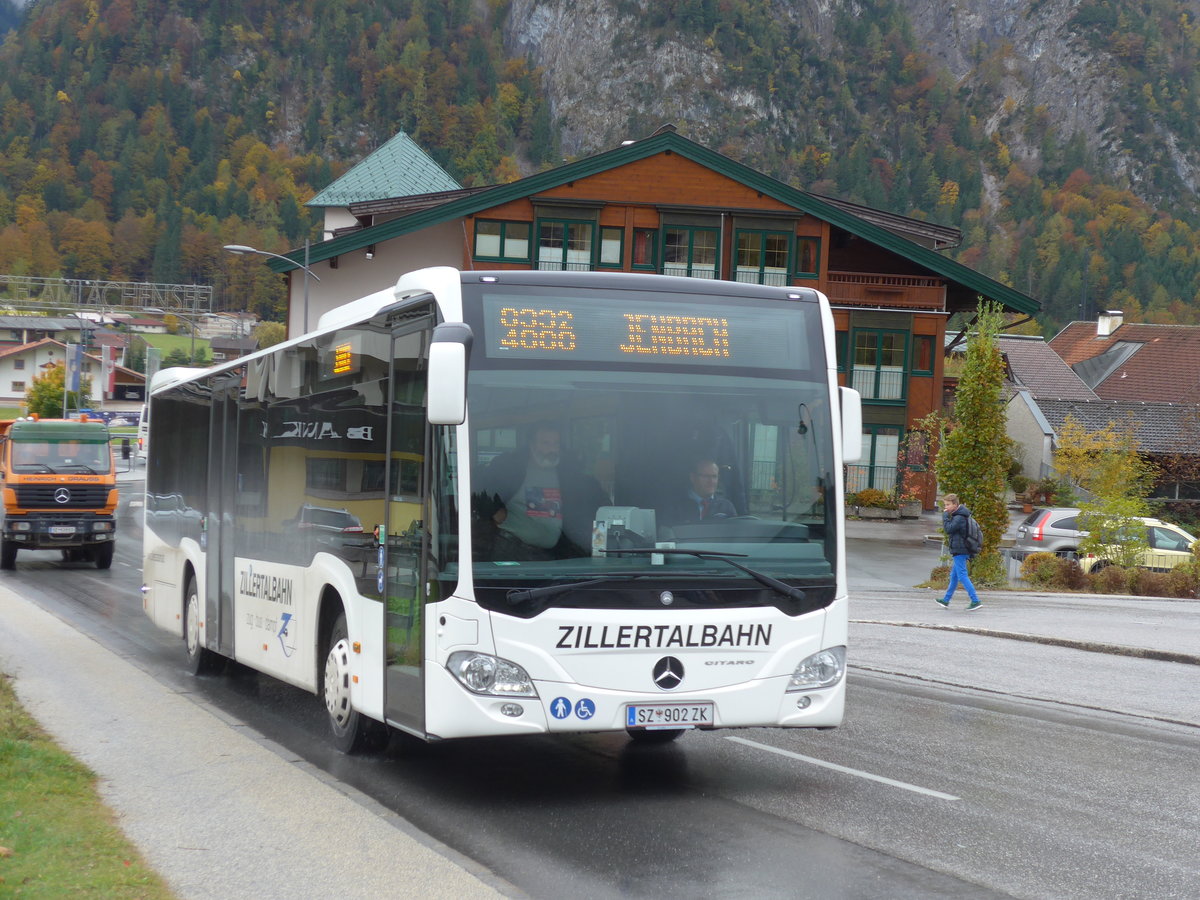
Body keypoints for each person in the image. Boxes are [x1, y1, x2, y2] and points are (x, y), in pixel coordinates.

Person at [473, 422, 607, 560]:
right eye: (546, 443)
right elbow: (478, 491)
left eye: (556, 444)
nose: (552, 449)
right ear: (532, 445)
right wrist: (495, 510)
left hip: (554, 555)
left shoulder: (569, 476)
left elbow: (596, 509)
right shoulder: (511, 469)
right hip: (512, 551)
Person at [938, 493, 981, 611]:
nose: (946, 507)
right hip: (960, 548)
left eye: (948, 505)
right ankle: (946, 600)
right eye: (945, 504)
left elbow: (948, 529)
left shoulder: (959, 517)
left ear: (955, 504)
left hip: (960, 549)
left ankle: (975, 600)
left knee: (962, 575)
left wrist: (945, 516)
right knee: (954, 576)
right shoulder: (960, 515)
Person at [664, 458, 737, 525]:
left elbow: (735, 534)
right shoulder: (675, 506)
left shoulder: (726, 506)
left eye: (714, 476)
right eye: (705, 476)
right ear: (692, 477)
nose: (711, 481)